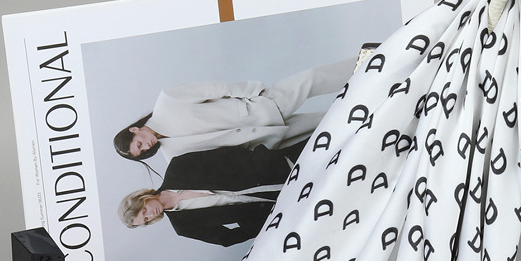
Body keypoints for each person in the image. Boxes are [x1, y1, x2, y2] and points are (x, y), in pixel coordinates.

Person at [113, 58, 355, 163]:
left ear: (134, 129)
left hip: (259, 108)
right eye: (142, 152)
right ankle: (370, 106)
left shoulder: (167, 101)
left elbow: (215, 89)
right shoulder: (172, 156)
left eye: (139, 144)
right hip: (265, 138)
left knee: (311, 79)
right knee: (327, 122)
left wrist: (255, 91)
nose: (146, 147)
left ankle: (366, 61)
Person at [118, 144, 298, 246]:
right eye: (146, 220)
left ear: (142, 199)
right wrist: (259, 225)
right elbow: (226, 239)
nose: (150, 215)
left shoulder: (178, 167)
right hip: (275, 207)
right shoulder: (183, 226)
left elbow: (223, 154)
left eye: (144, 212)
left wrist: (258, 160)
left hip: (273, 168)